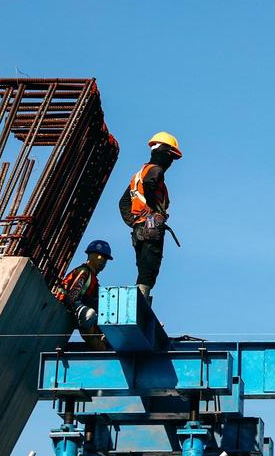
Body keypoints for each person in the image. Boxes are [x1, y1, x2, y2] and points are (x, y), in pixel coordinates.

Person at [117, 131, 182, 300]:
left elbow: (123, 202)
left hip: (140, 228)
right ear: (164, 152)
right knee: (149, 269)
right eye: (171, 156)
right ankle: (141, 302)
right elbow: (149, 184)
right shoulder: (155, 171)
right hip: (151, 228)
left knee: (143, 268)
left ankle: (140, 300)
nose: (171, 161)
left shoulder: (139, 174)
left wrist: (135, 222)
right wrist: (153, 213)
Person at [55, 238, 112, 347]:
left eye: (105, 259)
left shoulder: (93, 279)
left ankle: (102, 343)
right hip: (75, 310)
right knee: (89, 315)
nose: (103, 261)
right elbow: (72, 296)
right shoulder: (84, 272)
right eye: (100, 256)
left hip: (86, 314)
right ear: (91, 255)